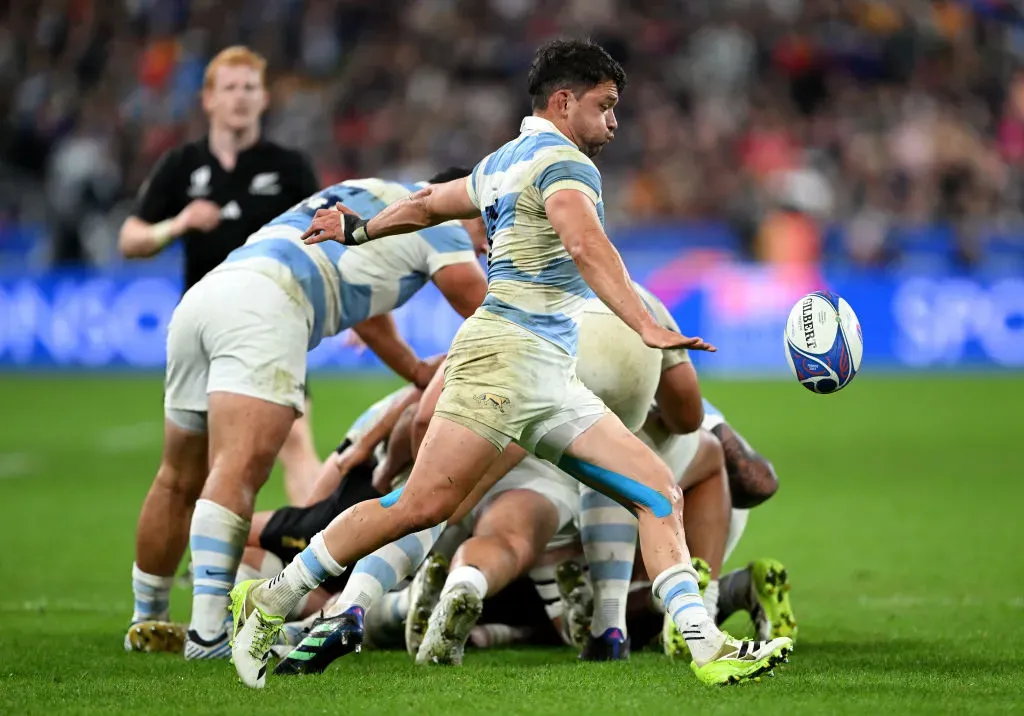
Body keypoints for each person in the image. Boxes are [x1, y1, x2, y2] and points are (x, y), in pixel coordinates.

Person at [229, 39, 792, 688]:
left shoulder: (505, 160)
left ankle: (705, 646)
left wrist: (358, 231)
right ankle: (273, 602)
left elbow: (428, 203)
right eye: (604, 106)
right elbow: (584, 243)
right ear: (563, 101)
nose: (614, 121)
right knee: (414, 507)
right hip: (502, 364)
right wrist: (645, 324)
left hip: (547, 372)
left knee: (657, 491)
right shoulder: (567, 167)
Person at [124, 169, 489, 660]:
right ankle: (207, 635)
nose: (487, 246)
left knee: (178, 475)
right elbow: (487, 313)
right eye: (487, 230)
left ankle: (146, 616)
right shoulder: (443, 221)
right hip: (270, 304)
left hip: (209, 295)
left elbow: (366, 297)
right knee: (238, 466)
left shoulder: (377, 191)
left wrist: (411, 368)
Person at [118, 46, 323, 505]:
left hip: (274, 321)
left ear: (264, 98)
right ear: (208, 99)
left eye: (250, 87)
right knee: (197, 457)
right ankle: (205, 557)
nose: (241, 97)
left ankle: (311, 564)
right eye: (230, 88)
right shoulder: (182, 165)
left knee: (294, 441)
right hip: (204, 328)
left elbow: (325, 239)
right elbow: (129, 240)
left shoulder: (290, 168)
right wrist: (177, 224)